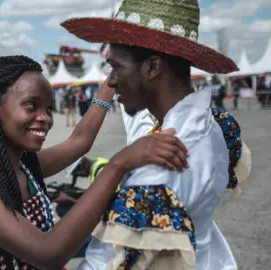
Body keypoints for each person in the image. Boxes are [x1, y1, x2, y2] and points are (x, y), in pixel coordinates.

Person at [0, 55, 189, 270]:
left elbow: (78, 143)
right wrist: (118, 164)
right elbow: (48, 253)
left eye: (48, 108)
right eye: (31, 106)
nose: (45, 118)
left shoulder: (24, 166)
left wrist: (112, 81)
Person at [61, 0, 247, 269]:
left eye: (116, 67)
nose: (110, 82)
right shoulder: (216, 123)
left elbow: (103, 263)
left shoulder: (156, 172)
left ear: (153, 67)